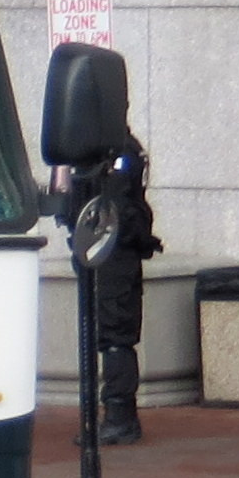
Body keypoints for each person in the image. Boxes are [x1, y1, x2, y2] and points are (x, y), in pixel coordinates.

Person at [62, 124, 163, 445]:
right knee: (105, 332)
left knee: (115, 332)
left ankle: (120, 418)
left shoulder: (119, 152)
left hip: (114, 251)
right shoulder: (99, 151)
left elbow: (114, 203)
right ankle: (111, 416)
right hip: (99, 248)